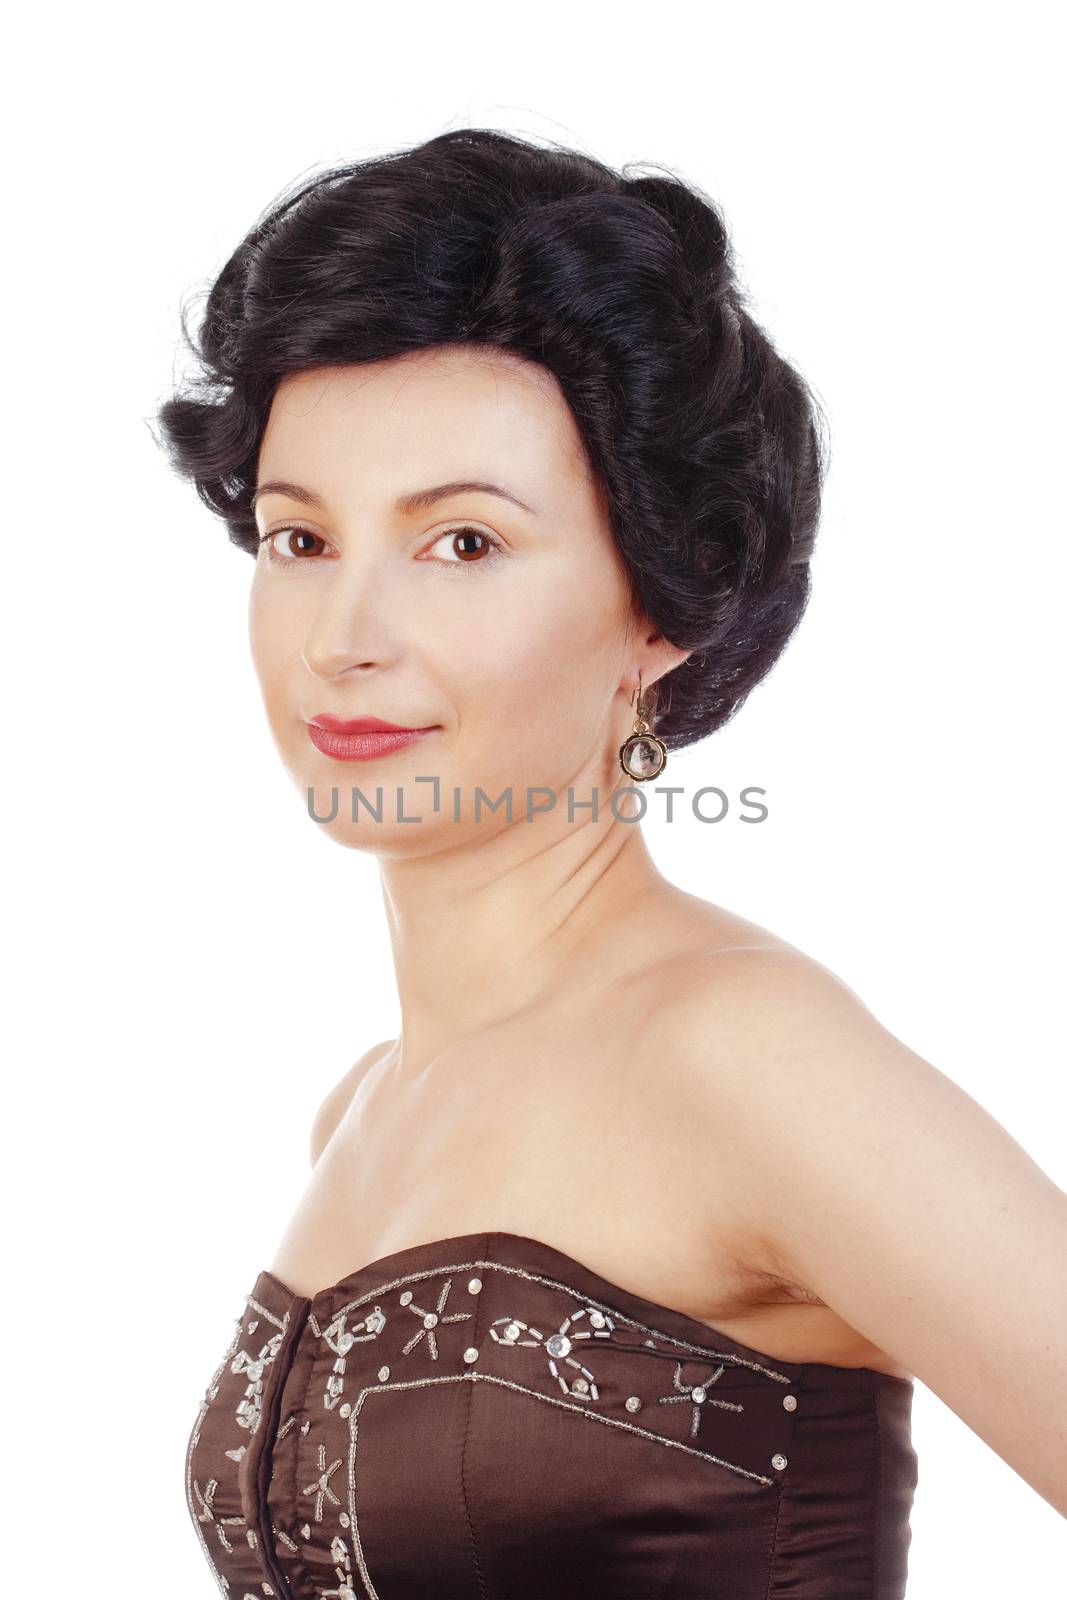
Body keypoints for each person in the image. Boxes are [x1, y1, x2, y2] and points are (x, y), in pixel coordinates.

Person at [157, 127, 1066, 1598]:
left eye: (461, 544)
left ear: (662, 609)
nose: (345, 636)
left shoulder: (742, 1052)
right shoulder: (364, 1109)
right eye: (299, 538)